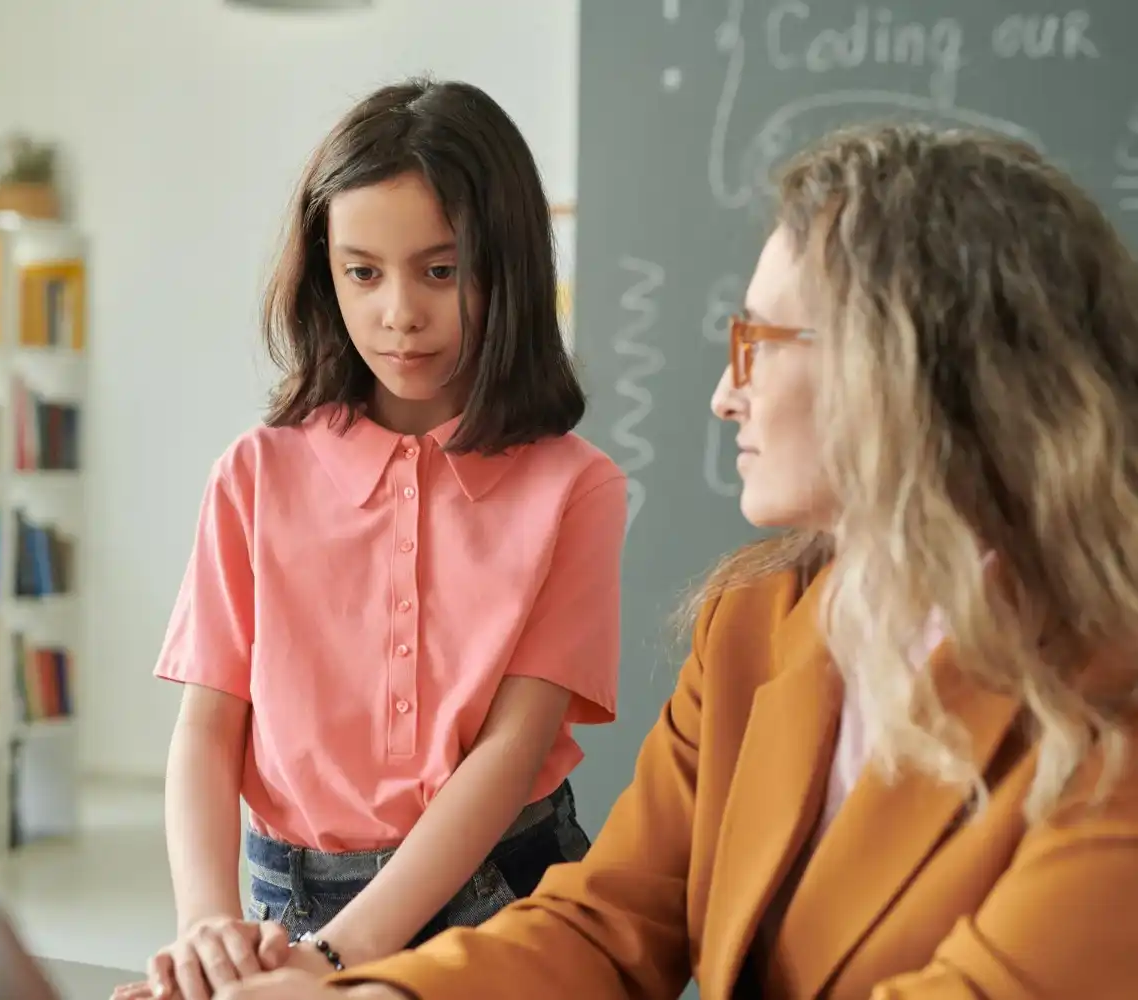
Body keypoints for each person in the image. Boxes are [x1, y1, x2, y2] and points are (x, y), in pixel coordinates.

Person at [195, 120, 1138, 999]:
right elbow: (609, 916)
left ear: (910, 366)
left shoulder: (1109, 716)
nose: (728, 395)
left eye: (759, 343)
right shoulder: (755, 627)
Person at [115, 76, 626, 1000]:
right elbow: (206, 729)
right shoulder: (254, 473)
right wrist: (207, 930)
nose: (399, 313)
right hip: (284, 901)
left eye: (441, 270)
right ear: (324, 272)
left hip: (503, 893)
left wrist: (341, 958)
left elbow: (511, 755)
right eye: (363, 271)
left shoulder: (576, 488)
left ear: (507, 266)